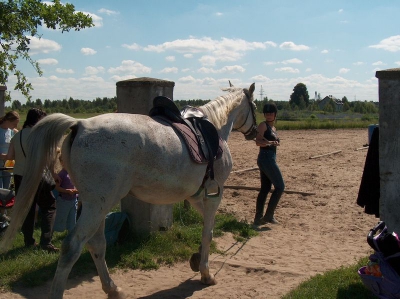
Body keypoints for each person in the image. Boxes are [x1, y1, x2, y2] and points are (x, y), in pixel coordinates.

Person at [4, 108, 59, 252]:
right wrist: (54, 174)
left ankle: (29, 241)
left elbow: (10, 156)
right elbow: (50, 158)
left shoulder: (17, 135)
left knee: (27, 209)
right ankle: (46, 242)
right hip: (38, 174)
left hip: (20, 175)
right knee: (49, 206)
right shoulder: (41, 136)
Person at [253, 102, 285, 225]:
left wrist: (274, 143)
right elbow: (258, 142)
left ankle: (258, 218)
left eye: (271, 113)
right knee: (280, 186)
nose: (269, 115)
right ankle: (269, 215)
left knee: (265, 188)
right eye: (267, 113)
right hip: (266, 158)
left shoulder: (273, 128)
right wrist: (270, 143)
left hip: (270, 158)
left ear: (275, 114)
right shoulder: (263, 126)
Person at [0, 111, 19, 222]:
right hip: (1, 161)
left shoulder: (11, 132)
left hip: (8, 164)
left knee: (6, 189)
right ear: (8, 121)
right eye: (15, 123)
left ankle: (4, 213)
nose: (16, 126)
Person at [53, 155, 79, 233]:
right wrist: (67, 191)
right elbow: (57, 187)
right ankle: (52, 232)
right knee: (60, 218)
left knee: (72, 219)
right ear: (62, 163)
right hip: (64, 201)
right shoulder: (61, 174)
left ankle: (71, 234)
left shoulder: (72, 173)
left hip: (73, 200)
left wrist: (77, 190)